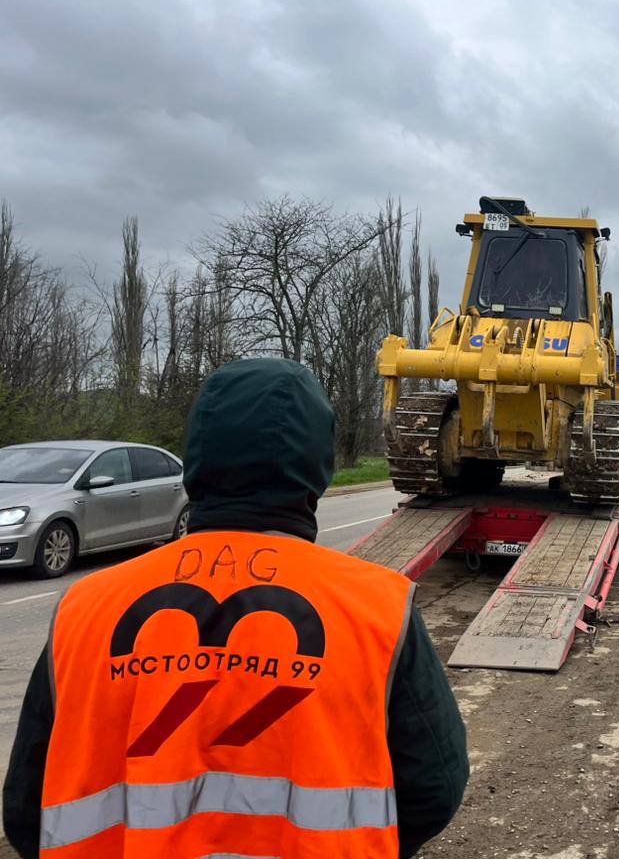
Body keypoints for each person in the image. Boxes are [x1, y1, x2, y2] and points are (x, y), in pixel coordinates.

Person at [3, 358, 469, 858]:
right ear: (318, 466)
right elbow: (434, 787)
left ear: (197, 458)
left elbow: (28, 810)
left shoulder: (85, 608)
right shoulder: (378, 606)